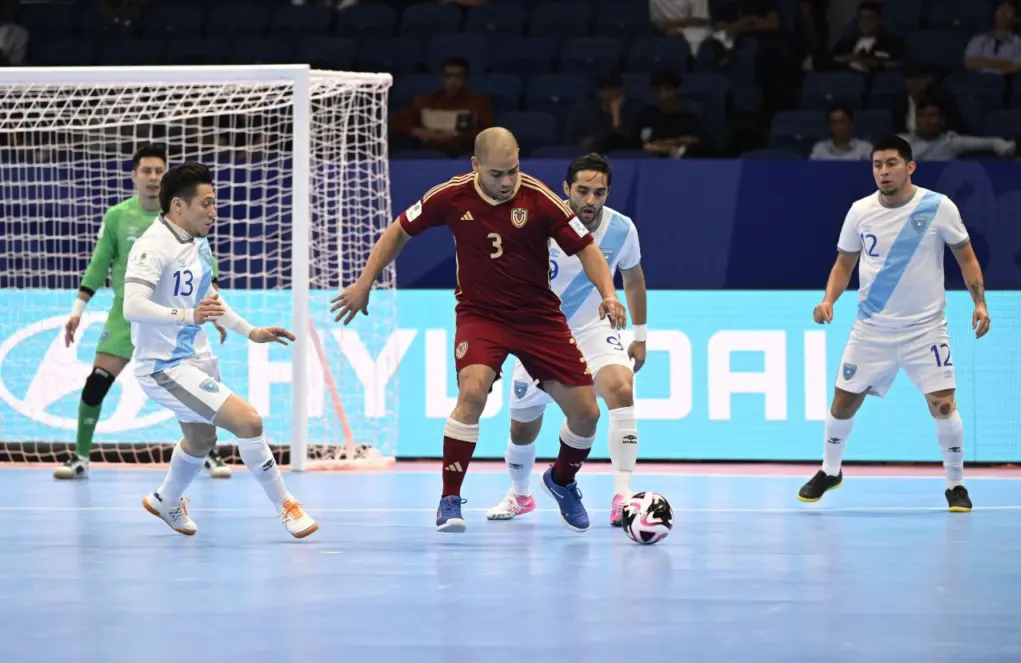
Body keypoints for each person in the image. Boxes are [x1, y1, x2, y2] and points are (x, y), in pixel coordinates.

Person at [331, 127, 628, 533]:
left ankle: (561, 481)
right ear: (475, 167)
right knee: (472, 391)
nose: (507, 182)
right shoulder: (451, 195)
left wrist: (609, 293)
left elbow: (586, 247)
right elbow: (401, 228)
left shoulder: (539, 198)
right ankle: (449, 499)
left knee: (587, 413)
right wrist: (365, 282)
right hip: (481, 316)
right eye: (496, 174)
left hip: (537, 316)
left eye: (514, 171)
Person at [122, 162, 317, 538]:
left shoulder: (197, 243)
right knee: (249, 421)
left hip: (195, 357)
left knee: (201, 442)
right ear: (178, 205)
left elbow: (208, 299)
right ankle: (286, 506)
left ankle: (165, 500)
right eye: (206, 203)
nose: (214, 212)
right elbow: (132, 305)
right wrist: (188, 315)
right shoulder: (151, 247)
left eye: (215, 203)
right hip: (164, 366)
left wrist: (250, 331)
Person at [798, 135, 990, 512]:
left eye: (891, 163)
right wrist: (828, 300)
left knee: (943, 405)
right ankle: (830, 470)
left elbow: (966, 257)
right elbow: (844, 264)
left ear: (909, 167)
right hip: (872, 328)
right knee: (842, 401)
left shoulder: (938, 207)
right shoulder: (860, 211)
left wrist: (979, 303)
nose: (883, 171)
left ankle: (956, 485)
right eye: (877, 165)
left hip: (925, 328)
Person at [486, 153, 648, 526]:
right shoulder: (537, 223)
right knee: (523, 426)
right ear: (566, 189)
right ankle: (521, 494)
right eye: (583, 191)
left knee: (621, 389)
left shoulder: (622, 229)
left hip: (594, 326)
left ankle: (622, 496)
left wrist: (640, 335)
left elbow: (634, 279)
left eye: (599, 192)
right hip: (539, 332)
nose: (591, 200)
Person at [58, 145, 231, 480]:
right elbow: (98, 265)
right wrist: (78, 309)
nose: (153, 177)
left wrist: (218, 311)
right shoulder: (118, 216)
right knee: (96, 384)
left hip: (174, 318)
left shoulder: (180, 216)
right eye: (147, 171)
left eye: (159, 171)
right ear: (134, 175)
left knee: (201, 386)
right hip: (127, 314)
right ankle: (80, 457)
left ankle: (210, 453)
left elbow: (206, 267)